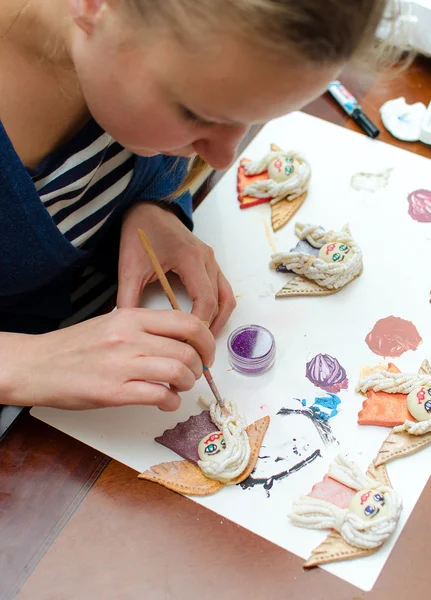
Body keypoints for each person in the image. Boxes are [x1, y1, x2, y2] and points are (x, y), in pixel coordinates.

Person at [0, 0, 400, 413]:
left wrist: (153, 206)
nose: (225, 157)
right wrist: (24, 364)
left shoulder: (138, 48)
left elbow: (137, 159)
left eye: (250, 119)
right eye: (197, 114)